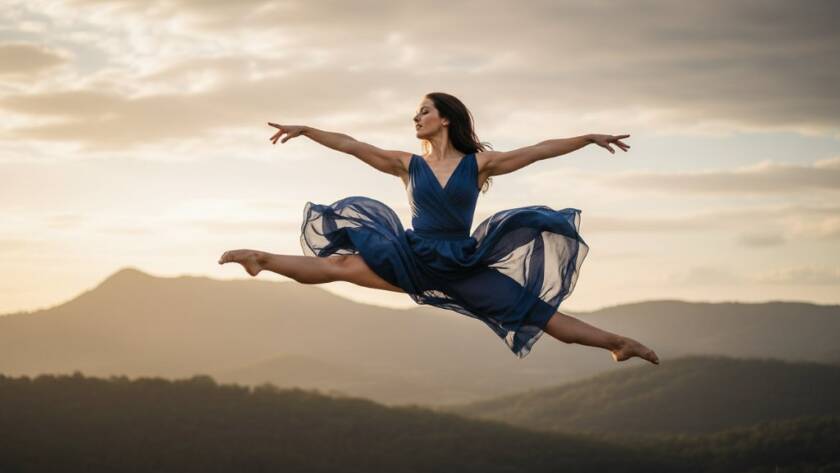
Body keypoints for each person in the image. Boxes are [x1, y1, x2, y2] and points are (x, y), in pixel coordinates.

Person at [219, 92, 659, 365]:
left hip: (463, 264)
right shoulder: (406, 164)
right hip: (412, 255)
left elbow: (539, 150)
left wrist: (587, 138)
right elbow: (353, 146)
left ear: (444, 118)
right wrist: (309, 130)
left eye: (423, 111)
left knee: (540, 316)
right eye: (415, 113)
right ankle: (262, 259)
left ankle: (619, 343)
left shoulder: (479, 165)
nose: (416, 118)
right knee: (342, 264)